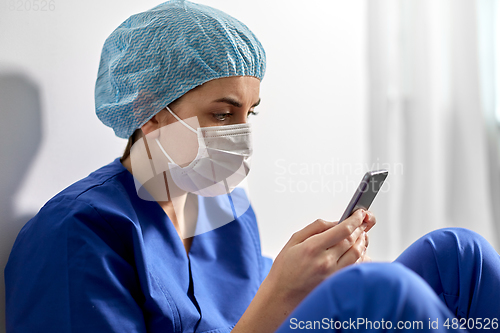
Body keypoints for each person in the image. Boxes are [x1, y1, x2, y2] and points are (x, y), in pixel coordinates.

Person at [4, 1, 500, 332]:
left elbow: (246, 290)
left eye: (249, 113)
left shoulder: (225, 205)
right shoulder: (77, 235)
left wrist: (316, 272)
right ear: (148, 112)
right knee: (383, 290)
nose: (241, 133)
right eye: (222, 114)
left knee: (459, 253)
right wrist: (280, 295)